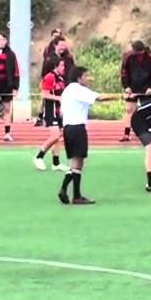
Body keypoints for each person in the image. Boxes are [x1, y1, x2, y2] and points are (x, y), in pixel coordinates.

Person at [58, 66, 121, 205]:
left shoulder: (67, 90)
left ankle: (66, 191)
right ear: (79, 78)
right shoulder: (79, 90)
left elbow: (62, 111)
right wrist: (121, 96)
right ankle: (75, 195)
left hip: (68, 127)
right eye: (86, 76)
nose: (88, 79)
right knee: (78, 162)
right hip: (77, 128)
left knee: (75, 161)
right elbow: (100, 98)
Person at [119, 40, 151, 142]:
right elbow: (124, 71)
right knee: (129, 110)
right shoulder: (128, 56)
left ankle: (150, 132)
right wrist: (126, 86)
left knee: (148, 111)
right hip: (132, 88)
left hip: (146, 88)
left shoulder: (150, 56)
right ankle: (126, 134)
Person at [33, 57, 69, 172]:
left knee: (58, 138)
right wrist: (59, 98)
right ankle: (39, 156)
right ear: (56, 66)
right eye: (62, 65)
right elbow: (44, 94)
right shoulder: (50, 77)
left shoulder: (61, 79)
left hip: (59, 112)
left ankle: (56, 163)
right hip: (50, 111)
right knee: (55, 136)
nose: (64, 68)